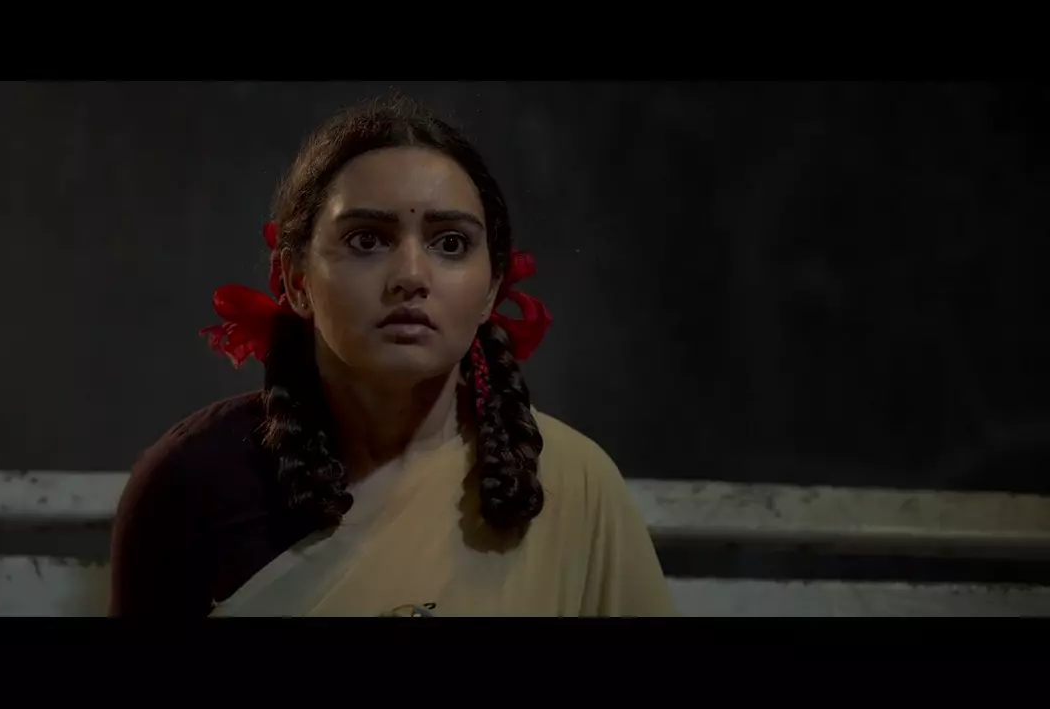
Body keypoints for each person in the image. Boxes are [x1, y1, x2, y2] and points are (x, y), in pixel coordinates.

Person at [109, 97, 676, 617]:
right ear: (296, 279)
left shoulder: (577, 485)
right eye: (367, 239)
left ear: (491, 289)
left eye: (450, 243)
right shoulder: (192, 482)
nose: (410, 275)